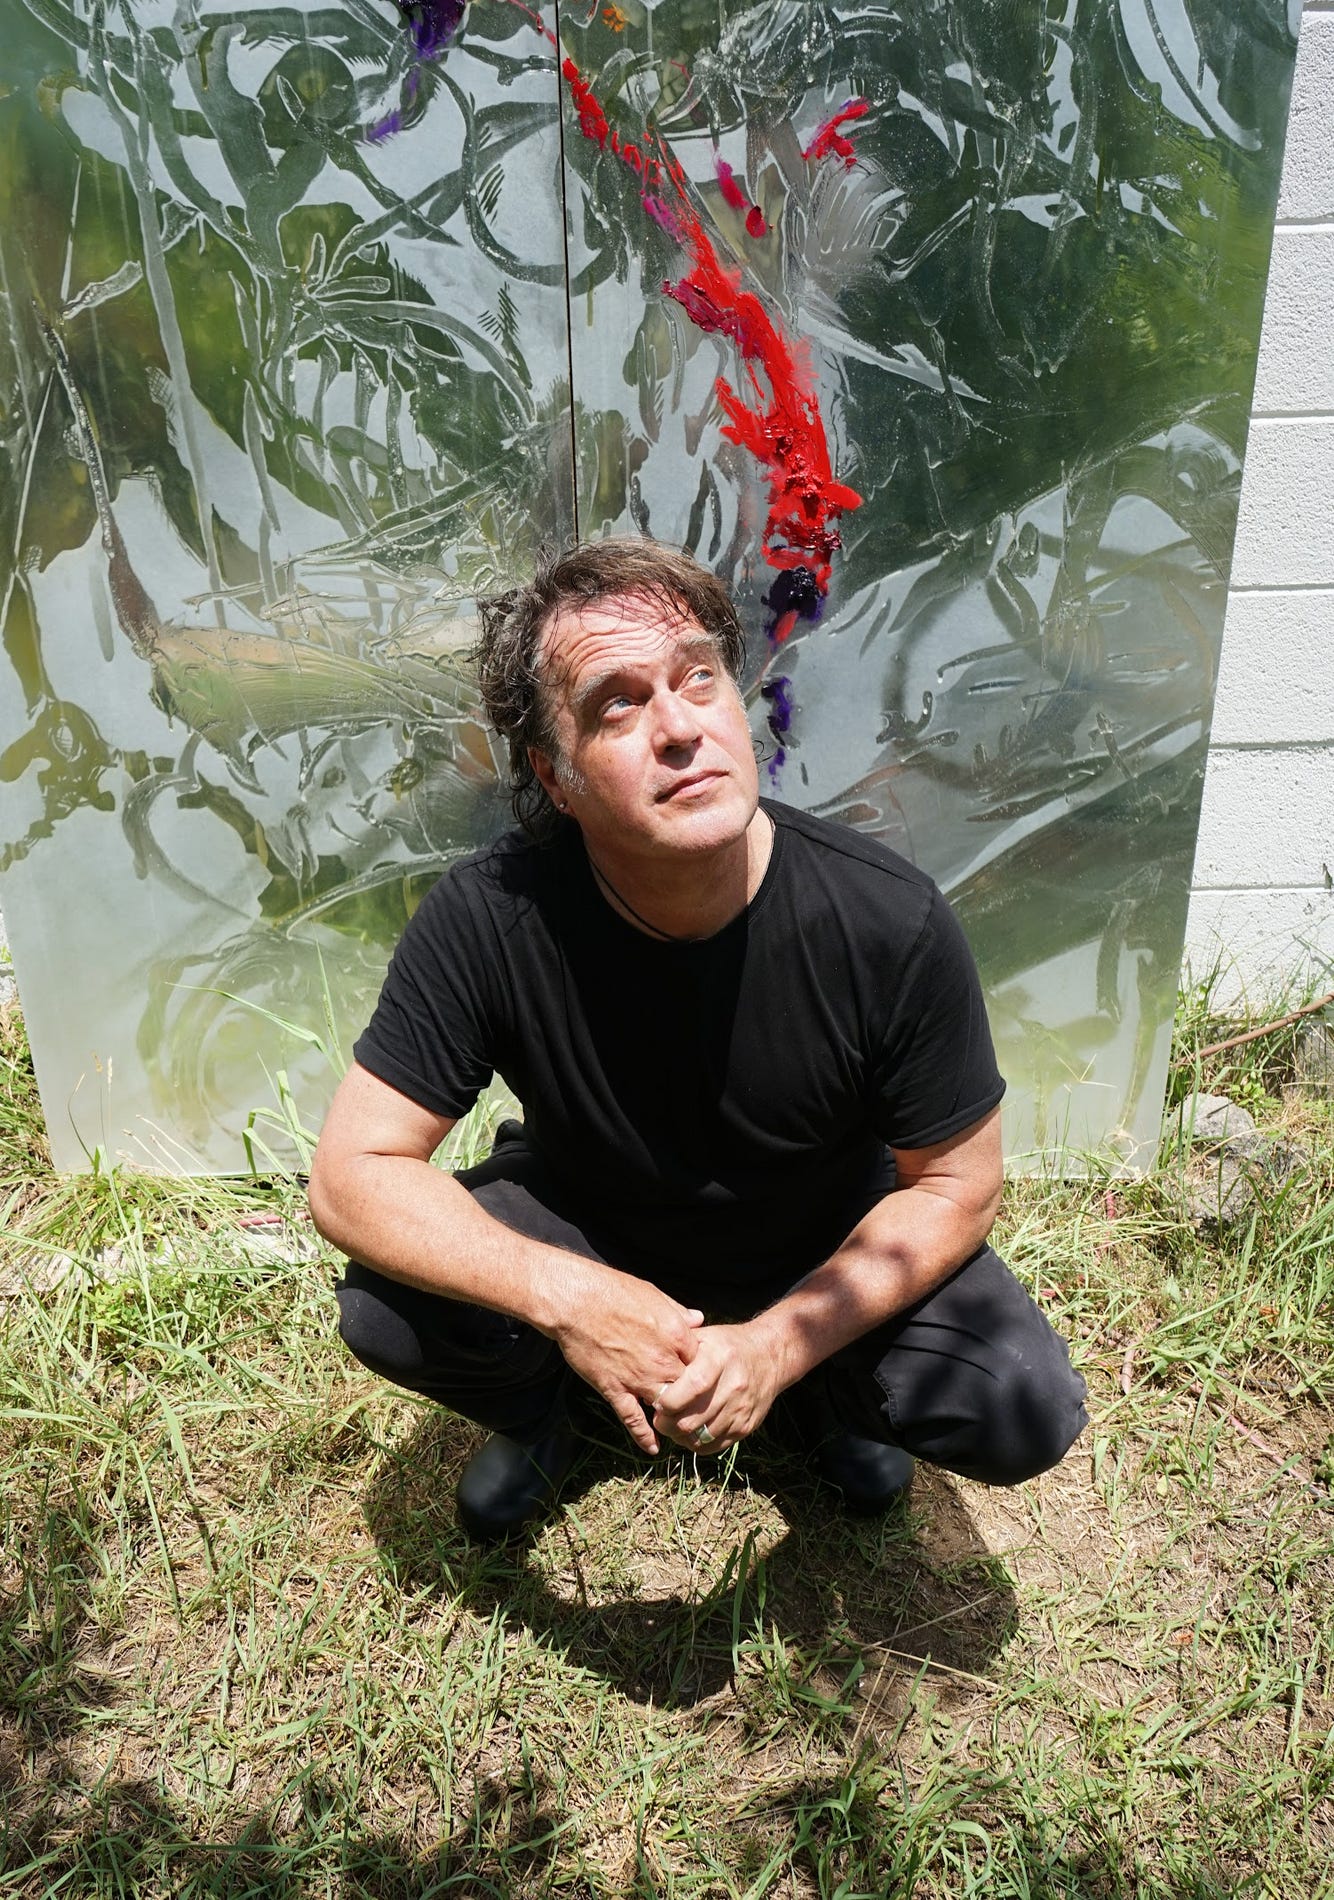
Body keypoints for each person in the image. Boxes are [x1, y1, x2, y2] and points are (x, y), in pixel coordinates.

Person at [308, 538, 1087, 1542]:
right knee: (389, 1307)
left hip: (817, 1238)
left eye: (697, 678)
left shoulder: (885, 919)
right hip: (594, 1220)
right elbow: (352, 1175)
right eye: (617, 705)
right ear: (554, 775)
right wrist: (569, 1298)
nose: (679, 727)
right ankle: (548, 1412)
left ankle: (825, 1400)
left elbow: (955, 1186)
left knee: (1017, 1398)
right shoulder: (490, 916)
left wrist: (780, 1345)